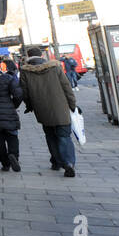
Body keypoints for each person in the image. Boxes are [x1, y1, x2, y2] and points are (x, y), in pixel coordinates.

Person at [19, 45, 77, 177]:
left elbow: (25, 92)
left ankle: (56, 161)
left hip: (42, 108)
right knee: (64, 136)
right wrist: (72, 104)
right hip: (60, 107)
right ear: (41, 55)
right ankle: (68, 163)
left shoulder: (25, 71)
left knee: (50, 135)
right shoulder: (55, 67)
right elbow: (66, 86)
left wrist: (30, 106)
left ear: (28, 56)